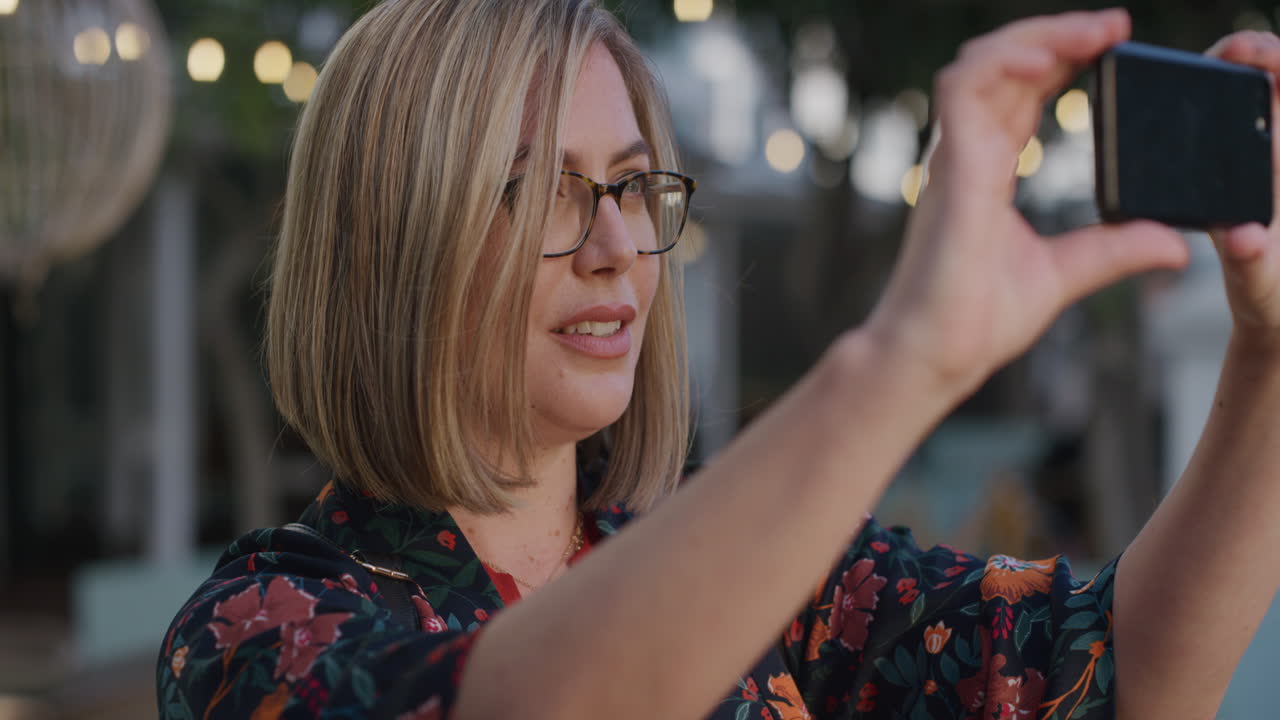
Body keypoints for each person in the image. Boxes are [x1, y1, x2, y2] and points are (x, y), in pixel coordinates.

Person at [155, 1, 1280, 718]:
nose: (614, 247)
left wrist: (1270, 351)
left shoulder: (762, 561)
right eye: (538, 190)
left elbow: (1115, 669)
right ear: (388, 245)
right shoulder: (258, 631)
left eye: (630, 185)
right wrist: (902, 359)